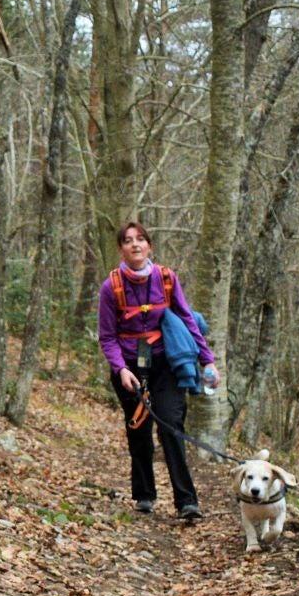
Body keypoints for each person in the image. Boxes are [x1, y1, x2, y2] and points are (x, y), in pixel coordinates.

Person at [97, 221, 215, 521]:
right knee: (138, 429)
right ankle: (144, 495)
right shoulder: (112, 287)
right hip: (130, 368)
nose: (135, 244)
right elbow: (107, 337)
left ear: (149, 245)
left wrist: (207, 360)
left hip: (166, 364)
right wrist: (121, 369)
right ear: (121, 249)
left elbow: (187, 319)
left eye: (140, 239)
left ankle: (186, 501)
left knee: (171, 425)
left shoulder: (166, 278)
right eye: (127, 240)